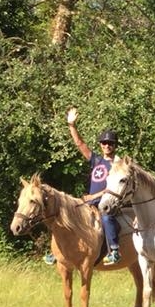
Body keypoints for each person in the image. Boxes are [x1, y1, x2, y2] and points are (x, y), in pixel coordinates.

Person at [65, 107, 122, 265]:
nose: (107, 146)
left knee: (106, 218)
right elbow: (79, 143)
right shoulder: (96, 160)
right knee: (65, 213)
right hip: (90, 203)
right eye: (104, 143)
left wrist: (94, 196)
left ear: (115, 145)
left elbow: (114, 188)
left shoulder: (118, 165)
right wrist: (71, 125)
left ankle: (114, 251)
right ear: (100, 145)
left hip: (107, 203)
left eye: (110, 143)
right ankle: (57, 253)